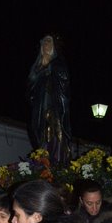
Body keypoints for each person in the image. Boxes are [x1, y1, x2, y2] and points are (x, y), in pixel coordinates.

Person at [27, 34, 71, 165]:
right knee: (41, 133)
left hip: (55, 105)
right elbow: (30, 86)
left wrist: (50, 70)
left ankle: (57, 163)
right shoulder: (37, 67)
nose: (45, 44)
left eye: (48, 41)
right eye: (43, 42)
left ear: (53, 46)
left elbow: (64, 80)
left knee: (56, 132)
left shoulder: (58, 63)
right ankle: (43, 162)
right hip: (40, 106)